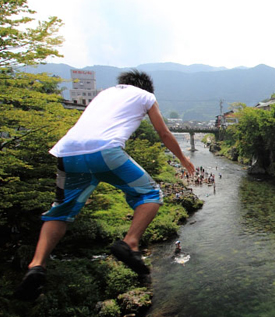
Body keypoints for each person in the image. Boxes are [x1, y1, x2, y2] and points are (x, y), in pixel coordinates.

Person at [14, 70, 195, 301]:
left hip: (67, 153)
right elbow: (163, 133)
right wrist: (183, 159)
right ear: (146, 87)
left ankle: (37, 265)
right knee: (150, 194)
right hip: (106, 152)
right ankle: (130, 242)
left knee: (60, 211)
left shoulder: (102, 94)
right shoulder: (146, 96)